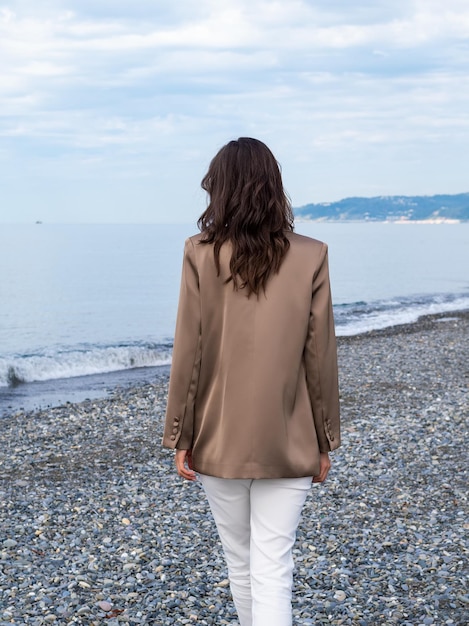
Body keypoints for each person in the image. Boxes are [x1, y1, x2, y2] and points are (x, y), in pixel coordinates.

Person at [163, 137, 340, 626]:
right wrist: (324, 441)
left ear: (219, 189)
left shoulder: (198, 253)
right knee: (273, 568)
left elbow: (190, 353)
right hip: (290, 437)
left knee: (240, 563)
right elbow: (319, 356)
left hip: (219, 436)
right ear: (273, 187)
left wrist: (180, 434)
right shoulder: (312, 254)